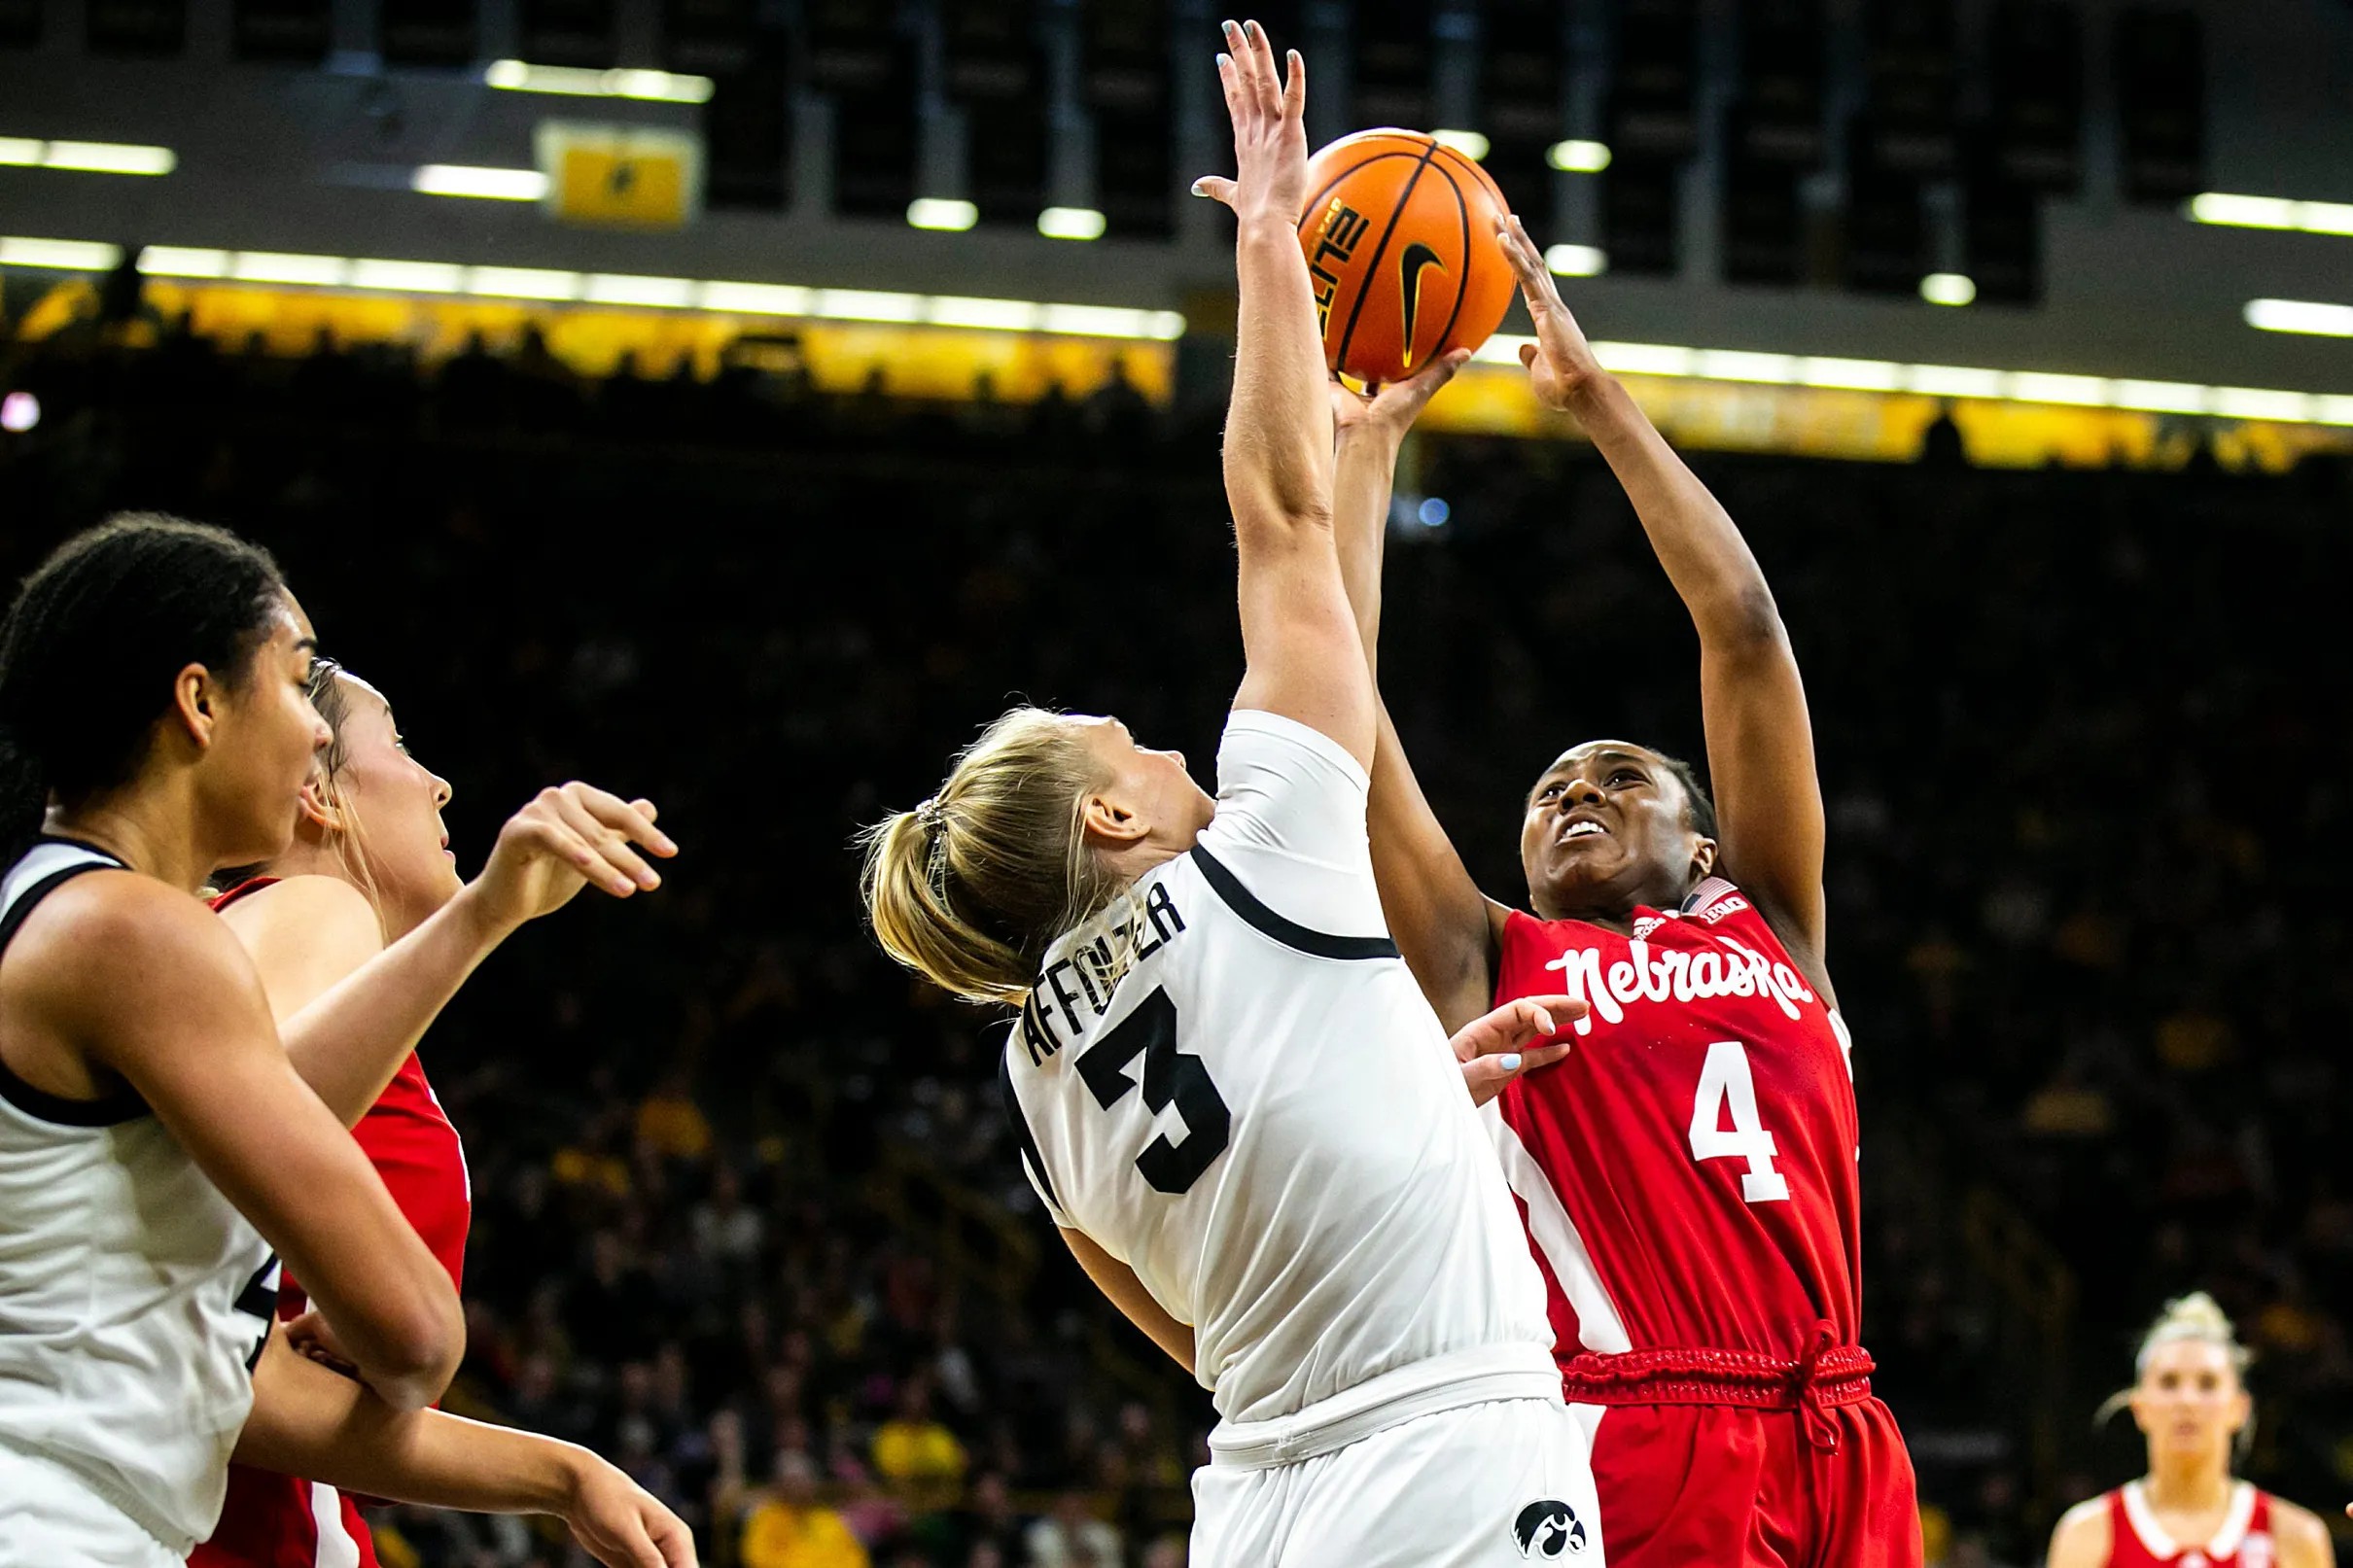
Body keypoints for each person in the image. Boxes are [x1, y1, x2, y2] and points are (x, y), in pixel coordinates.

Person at [860, 22, 1598, 1567]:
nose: (1167, 745)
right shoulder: (1261, 858)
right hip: (1447, 1449)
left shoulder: (1036, 1079)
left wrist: (1406, 1092)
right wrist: (1272, 233)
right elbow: (1276, 520)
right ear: (1108, 823)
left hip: (1258, 1495)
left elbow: (1201, 1327)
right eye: (1123, 741)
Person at [1328, 220, 1919, 1564]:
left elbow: (1748, 633)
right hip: (1634, 1430)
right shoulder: (1489, 950)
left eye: (1618, 774)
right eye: (1548, 789)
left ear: (1704, 843)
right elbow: (1344, 720)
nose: (1574, 792)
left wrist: (1595, 399)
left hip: (1839, 1427)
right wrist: (1366, 455)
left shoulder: (1774, 917)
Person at [0, 514, 688, 1568]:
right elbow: (416, 1332)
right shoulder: (149, 932)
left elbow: (242, 1172)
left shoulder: (70, 919)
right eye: (295, 678)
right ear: (198, 703)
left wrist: (486, 911)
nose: (316, 728)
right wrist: (376, 1324)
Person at [193, 655, 681, 1568]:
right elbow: (217, 1158)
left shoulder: (286, 967)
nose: (438, 782)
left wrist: (567, 1473)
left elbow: (240, 1374)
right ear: (318, 794)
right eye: (403, 744)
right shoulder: (311, 905)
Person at [2045, 1294, 2332, 1568]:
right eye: (2169, 1383)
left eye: (2208, 1383)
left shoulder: (2296, 1536)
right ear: (2139, 1407)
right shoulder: (2086, 1535)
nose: (2187, 1401)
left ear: (2240, 1408)